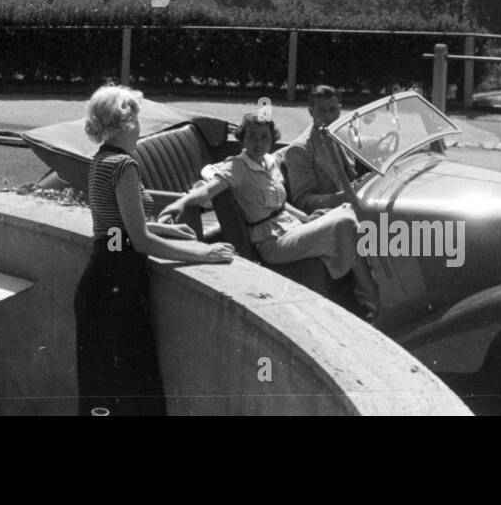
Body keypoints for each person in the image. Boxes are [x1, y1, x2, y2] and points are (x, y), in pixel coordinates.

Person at [74, 85, 235, 417]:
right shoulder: (124, 166)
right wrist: (202, 253)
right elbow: (140, 240)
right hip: (117, 283)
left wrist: (167, 228)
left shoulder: (102, 159)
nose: (139, 126)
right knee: (130, 386)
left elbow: (115, 224)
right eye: (135, 119)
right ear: (121, 123)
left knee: (103, 387)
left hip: (102, 277)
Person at [157, 111, 375, 313]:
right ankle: (369, 296)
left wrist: (307, 218)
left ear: (272, 140)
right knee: (344, 222)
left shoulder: (269, 162)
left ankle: (371, 285)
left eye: (263, 137)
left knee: (349, 209)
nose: (257, 143)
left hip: (292, 227)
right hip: (272, 243)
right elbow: (206, 191)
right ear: (241, 138)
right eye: (251, 136)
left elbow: (280, 204)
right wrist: (180, 203)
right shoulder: (237, 168)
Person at [284, 85, 360, 214]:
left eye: (332, 109)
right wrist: (339, 199)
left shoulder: (341, 133)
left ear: (340, 110)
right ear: (311, 111)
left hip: (357, 202)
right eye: (321, 110)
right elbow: (302, 201)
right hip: (330, 215)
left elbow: (364, 143)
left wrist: (383, 144)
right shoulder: (300, 150)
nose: (328, 116)